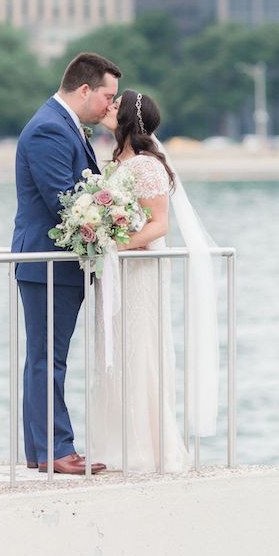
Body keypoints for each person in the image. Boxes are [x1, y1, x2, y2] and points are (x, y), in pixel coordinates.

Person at [12, 52, 120, 475]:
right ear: (84, 89)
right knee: (47, 359)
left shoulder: (65, 126)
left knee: (45, 357)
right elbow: (67, 202)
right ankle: (56, 450)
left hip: (57, 263)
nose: (110, 106)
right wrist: (112, 220)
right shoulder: (48, 130)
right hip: (48, 262)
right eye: (107, 97)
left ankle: (41, 451)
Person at [91, 89, 192, 472]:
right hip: (119, 273)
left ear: (129, 119)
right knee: (115, 349)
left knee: (139, 347)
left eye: (116, 105)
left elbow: (159, 224)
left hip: (138, 272)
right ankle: (118, 442)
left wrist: (118, 247)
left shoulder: (147, 166)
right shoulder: (119, 163)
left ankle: (146, 447)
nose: (109, 107)